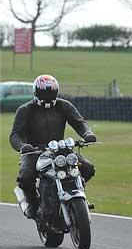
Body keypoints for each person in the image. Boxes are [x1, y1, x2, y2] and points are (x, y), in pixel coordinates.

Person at [10, 74, 97, 219]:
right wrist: (23, 146)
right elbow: (15, 135)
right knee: (25, 177)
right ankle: (33, 204)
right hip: (34, 151)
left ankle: (77, 193)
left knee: (88, 168)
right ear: (36, 92)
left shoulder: (64, 106)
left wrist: (88, 134)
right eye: (44, 93)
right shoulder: (25, 110)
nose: (48, 97)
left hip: (60, 150)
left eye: (51, 93)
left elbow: (79, 123)